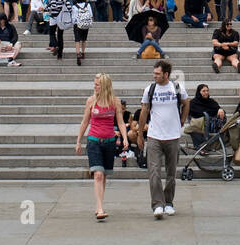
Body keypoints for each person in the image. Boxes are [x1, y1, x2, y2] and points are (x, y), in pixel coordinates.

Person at [137, 60, 189, 218]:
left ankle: (168, 202)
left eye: (157, 74)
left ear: (166, 74)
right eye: (154, 73)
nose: (154, 76)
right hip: (154, 136)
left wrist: (182, 120)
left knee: (171, 172)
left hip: (173, 136)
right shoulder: (150, 89)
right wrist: (140, 134)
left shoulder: (177, 88)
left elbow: (186, 103)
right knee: (154, 172)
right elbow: (144, 111)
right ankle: (157, 204)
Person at [76, 73, 131, 220]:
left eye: (97, 84)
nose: (94, 87)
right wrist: (78, 140)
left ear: (105, 86)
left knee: (104, 174)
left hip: (109, 141)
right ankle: (100, 208)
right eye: (94, 84)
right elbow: (84, 122)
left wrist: (125, 138)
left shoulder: (115, 101)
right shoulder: (91, 101)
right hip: (94, 140)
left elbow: (120, 122)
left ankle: (98, 204)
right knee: (98, 174)